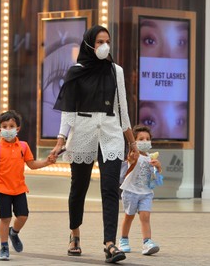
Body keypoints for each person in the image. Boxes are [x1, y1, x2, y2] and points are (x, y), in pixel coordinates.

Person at [51, 25, 139, 263]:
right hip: (83, 132)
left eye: (107, 41)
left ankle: (110, 244)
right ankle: (74, 233)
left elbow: (122, 108)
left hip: (111, 133)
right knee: (79, 187)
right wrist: (60, 141)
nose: (104, 46)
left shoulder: (115, 71)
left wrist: (132, 142)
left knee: (110, 189)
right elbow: (68, 110)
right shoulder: (76, 71)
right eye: (99, 42)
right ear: (89, 44)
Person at [0, 110, 56, 261]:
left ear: (17, 129)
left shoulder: (23, 147)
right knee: (5, 218)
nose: (8, 129)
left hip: (19, 189)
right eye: (4, 126)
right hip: (2, 189)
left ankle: (14, 233)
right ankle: (4, 247)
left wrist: (46, 162)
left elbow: (32, 164)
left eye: (11, 126)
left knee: (23, 216)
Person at [117, 125, 163, 256]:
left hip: (146, 193)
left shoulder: (151, 158)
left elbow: (156, 179)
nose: (145, 141)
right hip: (131, 191)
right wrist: (132, 161)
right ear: (134, 142)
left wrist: (158, 168)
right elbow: (125, 174)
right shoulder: (133, 156)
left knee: (145, 216)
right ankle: (123, 240)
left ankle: (147, 242)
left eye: (147, 139)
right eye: (141, 139)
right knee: (129, 216)